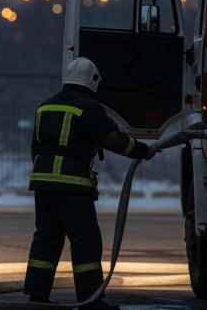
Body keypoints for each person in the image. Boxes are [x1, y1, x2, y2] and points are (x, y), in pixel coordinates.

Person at [24, 57, 157, 310]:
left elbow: (36, 149)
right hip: (71, 185)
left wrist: (46, 177)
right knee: (85, 241)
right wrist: (143, 150)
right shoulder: (88, 108)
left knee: (46, 238)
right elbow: (114, 140)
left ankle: (36, 297)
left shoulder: (45, 106)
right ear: (93, 81)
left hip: (43, 183)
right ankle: (91, 301)